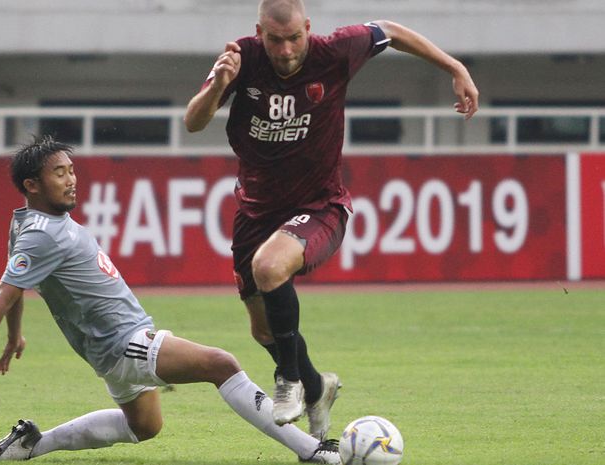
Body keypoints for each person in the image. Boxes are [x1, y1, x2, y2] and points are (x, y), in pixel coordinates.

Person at [0, 136, 340, 464]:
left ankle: (34, 444)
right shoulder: (41, 234)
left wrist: (14, 335)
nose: (71, 180)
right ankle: (311, 450)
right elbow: (6, 291)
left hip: (110, 347)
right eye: (59, 173)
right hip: (123, 341)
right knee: (222, 365)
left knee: (145, 427)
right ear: (31, 185)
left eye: (71, 171)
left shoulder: (26, 224)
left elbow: (15, 283)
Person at [184, 0, 479, 439]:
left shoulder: (335, 51)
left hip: (320, 206)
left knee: (270, 267)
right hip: (254, 212)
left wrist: (455, 66)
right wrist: (217, 86)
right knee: (263, 329)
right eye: (274, 39)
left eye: (293, 38)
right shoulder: (240, 59)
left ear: (308, 28)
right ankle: (317, 386)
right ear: (259, 32)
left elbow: (390, 30)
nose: (284, 51)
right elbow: (193, 121)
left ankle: (289, 381)